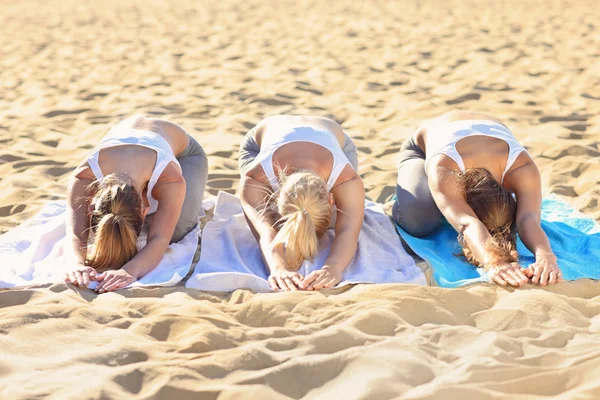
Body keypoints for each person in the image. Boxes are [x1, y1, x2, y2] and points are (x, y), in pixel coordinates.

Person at [392, 110, 561, 287]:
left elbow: (529, 218)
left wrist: (546, 257)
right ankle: (427, 196)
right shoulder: (445, 165)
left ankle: (448, 201)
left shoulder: (521, 166)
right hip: (421, 149)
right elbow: (467, 223)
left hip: (482, 128)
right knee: (418, 220)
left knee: (516, 223)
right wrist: (493, 261)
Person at [65, 115, 208, 292]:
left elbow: (160, 239)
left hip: (186, 154)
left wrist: (131, 270)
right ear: (91, 208)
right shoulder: (84, 175)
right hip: (132, 147)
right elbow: (75, 233)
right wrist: (76, 263)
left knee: (177, 232)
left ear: (144, 211)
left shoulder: (170, 177)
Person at [239, 115, 364, 291]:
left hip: (337, 141)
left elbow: (348, 232)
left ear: (331, 198)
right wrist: (278, 268)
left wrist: (333, 268)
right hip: (259, 143)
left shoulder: (345, 177)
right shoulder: (256, 175)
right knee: (278, 221)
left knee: (336, 220)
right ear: (275, 197)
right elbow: (265, 230)